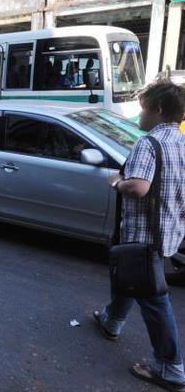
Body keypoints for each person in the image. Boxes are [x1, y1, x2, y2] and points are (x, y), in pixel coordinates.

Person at [93, 80, 185, 391]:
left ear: (158, 110)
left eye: (144, 108)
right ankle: (111, 320)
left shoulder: (150, 143)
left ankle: (171, 367)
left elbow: (138, 187)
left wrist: (117, 182)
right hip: (167, 230)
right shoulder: (180, 140)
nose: (140, 114)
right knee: (131, 275)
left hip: (144, 234)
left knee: (153, 297)